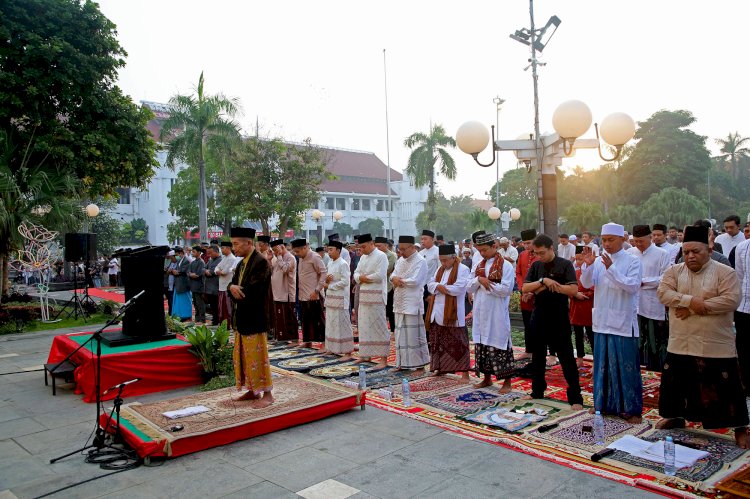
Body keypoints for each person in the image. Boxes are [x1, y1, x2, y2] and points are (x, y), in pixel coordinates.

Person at [656, 225, 748, 447]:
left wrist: (693, 307)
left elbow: (730, 300)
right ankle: (676, 416)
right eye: (686, 252)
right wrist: (691, 301)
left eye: (695, 251)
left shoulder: (725, 272)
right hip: (681, 341)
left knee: (727, 387)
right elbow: (663, 293)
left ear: (708, 248)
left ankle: (740, 427)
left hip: (714, 343)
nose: (690, 256)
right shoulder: (674, 271)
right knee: (676, 383)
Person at [581, 222, 643, 423]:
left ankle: (631, 410)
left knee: (625, 368)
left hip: (623, 323)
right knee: (602, 366)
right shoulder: (598, 261)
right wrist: (589, 266)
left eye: (611, 240)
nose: (606, 244)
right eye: (604, 240)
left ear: (622, 239)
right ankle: (603, 404)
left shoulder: (633, 260)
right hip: (602, 320)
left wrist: (612, 268)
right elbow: (587, 284)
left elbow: (632, 287)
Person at [522, 234, 584, 409]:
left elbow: (572, 289)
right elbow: (525, 287)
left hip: (558, 317)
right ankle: (537, 391)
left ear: (551, 248)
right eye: (536, 253)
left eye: (542, 253)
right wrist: (543, 281)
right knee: (538, 357)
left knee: (566, 358)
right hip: (539, 315)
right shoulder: (536, 265)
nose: (539, 256)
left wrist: (546, 286)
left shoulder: (565, 264)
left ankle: (575, 398)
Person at [228, 227, 273, 407]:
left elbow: (253, 291)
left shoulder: (260, 262)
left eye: (236, 244)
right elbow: (232, 286)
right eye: (232, 244)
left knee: (258, 357)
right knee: (245, 357)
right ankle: (252, 390)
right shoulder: (241, 263)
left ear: (249, 243)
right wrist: (232, 288)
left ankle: (268, 395)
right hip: (242, 318)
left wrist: (235, 289)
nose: (234, 248)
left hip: (255, 317)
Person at [470, 233, 516, 393]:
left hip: (496, 313)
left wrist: (485, 285)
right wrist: (479, 280)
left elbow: (505, 290)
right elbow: (468, 287)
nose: (482, 253)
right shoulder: (478, 265)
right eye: (480, 250)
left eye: (484, 250)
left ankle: (507, 383)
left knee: (501, 345)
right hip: (481, 312)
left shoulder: (506, 266)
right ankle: (487, 378)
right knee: (482, 345)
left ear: (494, 247)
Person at [627, 225, 671, 371]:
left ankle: (656, 369)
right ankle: (637, 368)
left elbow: (666, 278)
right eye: (636, 241)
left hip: (653, 303)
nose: (638, 244)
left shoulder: (662, 253)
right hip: (634, 303)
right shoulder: (630, 252)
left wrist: (644, 282)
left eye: (641, 241)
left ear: (650, 237)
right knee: (636, 338)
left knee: (655, 340)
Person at [426, 244, 471, 380]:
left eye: (445, 260)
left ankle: (465, 373)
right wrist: (440, 287)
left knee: (458, 343)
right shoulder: (440, 269)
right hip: (437, 311)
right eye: (441, 260)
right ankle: (441, 368)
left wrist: (439, 287)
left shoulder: (463, 269)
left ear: (453, 258)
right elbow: (430, 284)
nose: (443, 263)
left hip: (453, 312)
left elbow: (459, 288)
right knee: (438, 342)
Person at [390, 236, 430, 371]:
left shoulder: (421, 261)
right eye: (399, 249)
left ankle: (419, 366)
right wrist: (394, 279)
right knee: (400, 335)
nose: (401, 252)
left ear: (413, 247)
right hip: (399, 301)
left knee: (414, 337)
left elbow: (416, 281)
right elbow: (392, 276)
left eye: (403, 249)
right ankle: (402, 363)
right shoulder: (400, 260)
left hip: (412, 303)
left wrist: (399, 281)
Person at [353, 233, 390, 368]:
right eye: (360, 247)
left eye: (363, 247)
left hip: (376, 297)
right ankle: (365, 355)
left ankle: (383, 359)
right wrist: (360, 278)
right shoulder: (363, 257)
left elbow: (380, 275)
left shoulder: (381, 256)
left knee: (379, 327)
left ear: (371, 243)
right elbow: (356, 274)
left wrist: (363, 278)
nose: (362, 250)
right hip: (364, 297)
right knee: (364, 326)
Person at [292, 239, 326, 347]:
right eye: (295, 252)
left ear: (305, 247)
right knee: (305, 320)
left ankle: (325, 343)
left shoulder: (315, 257)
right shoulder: (301, 258)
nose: (296, 254)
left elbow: (323, 274)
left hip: (313, 295)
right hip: (303, 294)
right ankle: (307, 342)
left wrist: (317, 290)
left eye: (298, 251)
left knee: (318, 320)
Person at [323, 240, 354, 359]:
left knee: (343, 324)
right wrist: (327, 281)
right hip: (331, 297)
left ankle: (347, 352)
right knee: (331, 323)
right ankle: (332, 348)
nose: (329, 252)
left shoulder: (343, 264)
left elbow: (345, 282)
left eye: (331, 250)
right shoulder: (330, 263)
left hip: (340, 298)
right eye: (328, 250)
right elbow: (328, 279)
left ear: (338, 251)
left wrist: (330, 285)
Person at [515, 229, 539, 362]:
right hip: (524, 296)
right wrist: (522, 289)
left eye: (529, 243)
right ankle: (528, 351)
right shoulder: (523, 255)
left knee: (538, 325)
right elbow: (518, 272)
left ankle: (540, 352)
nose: (526, 246)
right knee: (527, 324)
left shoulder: (540, 255)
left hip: (538, 297)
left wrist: (531, 291)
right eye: (524, 243)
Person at [569, 245, 594, 367]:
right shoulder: (574, 272)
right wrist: (575, 294)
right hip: (576, 307)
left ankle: (596, 358)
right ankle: (579, 358)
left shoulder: (593, 271)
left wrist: (582, 294)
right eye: (577, 259)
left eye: (581, 259)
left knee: (591, 334)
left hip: (588, 307)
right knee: (578, 334)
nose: (579, 262)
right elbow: (568, 287)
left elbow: (595, 289)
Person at [270, 239, 298, 342]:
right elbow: (272, 271)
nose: (274, 252)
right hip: (277, 292)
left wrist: (279, 256)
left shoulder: (290, 258)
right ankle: (281, 337)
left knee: (289, 317)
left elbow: (285, 269)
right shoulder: (278, 257)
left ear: (281, 247)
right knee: (279, 317)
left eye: (275, 249)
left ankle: (294, 339)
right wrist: (270, 259)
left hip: (287, 293)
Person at [735, 231, 750, 397]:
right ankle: (746, 384)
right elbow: (739, 277)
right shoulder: (742, 247)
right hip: (744, 307)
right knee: (744, 348)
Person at [375, 236, 398, 333]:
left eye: (379, 246)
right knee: (380, 309)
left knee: (390, 309)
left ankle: (393, 329)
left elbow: (387, 270)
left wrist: (376, 272)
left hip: (388, 286)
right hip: (376, 286)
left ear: (386, 245)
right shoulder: (375, 255)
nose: (377, 248)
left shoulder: (392, 255)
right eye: (376, 246)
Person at [214, 241, 238, 327]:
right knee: (221, 307)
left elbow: (225, 272)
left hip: (228, 286)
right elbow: (216, 268)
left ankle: (228, 324)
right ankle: (223, 324)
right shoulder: (224, 257)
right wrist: (218, 271)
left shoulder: (232, 258)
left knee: (227, 308)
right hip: (221, 286)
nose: (222, 250)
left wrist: (219, 271)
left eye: (223, 248)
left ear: (228, 248)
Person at [419, 229, 440, 317]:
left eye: (425, 239)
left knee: (431, 312)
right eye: (422, 239)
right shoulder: (420, 253)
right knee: (423, 313)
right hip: (421, 286)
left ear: (432, 239)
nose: (423, 241)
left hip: (432, 285)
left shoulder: (438, 251)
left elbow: (440, 270)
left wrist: (432, 292)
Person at [171, 247, 193, 321]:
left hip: (184, 283)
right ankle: (179, 315)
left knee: (185, 300)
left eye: (177, 254)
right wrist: (174, 271)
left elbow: (183, 271)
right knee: (178, 301)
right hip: (178, 283)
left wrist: (176, 272)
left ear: (181, 253)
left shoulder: (186, 260)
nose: (176, 256)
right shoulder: (180, 260)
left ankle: (186, 315)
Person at [187, 246, 206, 324]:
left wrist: (191, 274)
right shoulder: (193, 262)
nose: (192, 253)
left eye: (194, 251)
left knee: (200, 303)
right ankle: (197, 318)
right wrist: (191, 274)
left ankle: (202, 319)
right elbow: (188, 272)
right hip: (193, 286)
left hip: (199, 286)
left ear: (199, 252)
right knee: (195, 303)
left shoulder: (201, 262)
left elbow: (198, 274)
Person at [203, 245, 222, 325]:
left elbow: (213, 272)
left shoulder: (220, 260)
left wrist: (208, 272)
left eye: (210, 253)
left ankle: (217, 320)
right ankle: (215, 319)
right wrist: (206, 271)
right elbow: (203, 268)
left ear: (216, 251)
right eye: (208, 253)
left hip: (215, 286)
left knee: (216, 305)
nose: (209, 255)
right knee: (212, 305)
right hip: (209, 287)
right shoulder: (211, 260)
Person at [163, 250, 177, 317]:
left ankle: (171, 313)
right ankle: (170, 313)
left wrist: (169, 271)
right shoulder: (165, 260)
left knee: (171, 299)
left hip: (170, 283)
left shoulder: (175, 261)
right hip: (166, 282)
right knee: (169, 299)